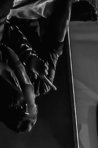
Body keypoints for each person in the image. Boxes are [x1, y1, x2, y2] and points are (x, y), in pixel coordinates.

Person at [0, 0, 73, 133]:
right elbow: (56, 42)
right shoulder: (41, 83)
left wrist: (28, 58)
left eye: (31, 101)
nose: (33, 94)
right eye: (34, 103)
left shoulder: (5, 74)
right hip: (29, 11)